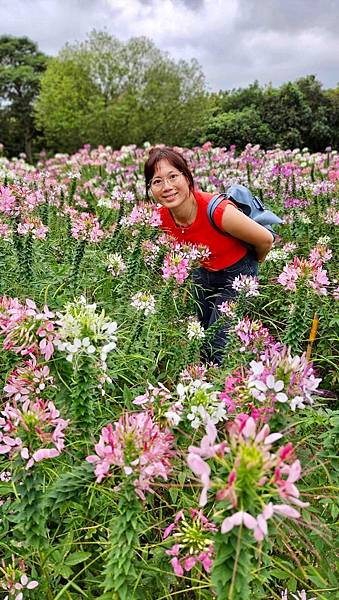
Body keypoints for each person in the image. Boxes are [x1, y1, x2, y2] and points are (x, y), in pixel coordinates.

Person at [144, 147, 273, 364]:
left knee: (219, 340)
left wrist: (253, 267)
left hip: (238, 273)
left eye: (173, 176)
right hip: (203, 272)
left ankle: (223, 387)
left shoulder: (218, 211)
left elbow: (265, 240)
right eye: (157, 181)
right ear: (150, 188)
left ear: (187, 178)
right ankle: (204, 377)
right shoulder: (160, 218)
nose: (166, 187)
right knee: (203, 333)